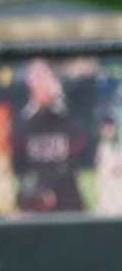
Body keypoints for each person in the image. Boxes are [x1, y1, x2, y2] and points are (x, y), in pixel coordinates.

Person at [12, 58, 85, 212]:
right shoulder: (24, 118)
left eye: (43, 76)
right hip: (37, 197)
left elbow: (80, 149)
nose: (39, 83)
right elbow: (18, 163)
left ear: (52, 79)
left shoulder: (66, 112)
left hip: (67, 196)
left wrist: (59, 100)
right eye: (34, 77)